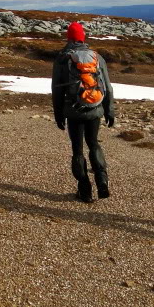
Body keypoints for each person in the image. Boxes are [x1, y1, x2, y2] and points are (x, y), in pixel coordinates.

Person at [52, 22, 115, 202]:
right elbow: (108, 87)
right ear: (83, 37)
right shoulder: (96, 57)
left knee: (77, 149)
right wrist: (109, 111)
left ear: (68, 37)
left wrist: (58, 115)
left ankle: (85, 190)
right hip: (95, 109)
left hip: (73, 111)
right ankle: (102, 180)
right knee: (93, 143)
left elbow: (56, 90)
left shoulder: (63, 58)